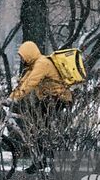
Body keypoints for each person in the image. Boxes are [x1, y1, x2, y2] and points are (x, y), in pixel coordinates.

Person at [6, 40, 72, 172]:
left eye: (22, 56)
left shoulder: (42, 63)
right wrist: (11, 98)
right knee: (35, 126)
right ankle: (42, 157)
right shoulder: (33, 65)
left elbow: (31, 82)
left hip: (58, 99)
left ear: (29, 54)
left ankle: (47, 156)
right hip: (49, 99)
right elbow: (23, 82)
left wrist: (15, 98)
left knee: (38, 127)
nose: (21, 59)